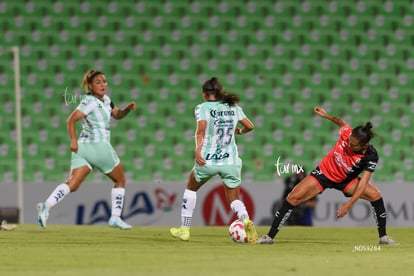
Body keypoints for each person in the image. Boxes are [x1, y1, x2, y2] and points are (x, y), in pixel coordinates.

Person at [257, 106, 399, 245]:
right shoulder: (347, 133)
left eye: (353, 145)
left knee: (375, 195)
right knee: (293, 196)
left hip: (346, 180)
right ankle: (269, 237)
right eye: (349, 141)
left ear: (364, 145)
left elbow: (362, 185)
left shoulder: (371, 156)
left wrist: (348, 206)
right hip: (324, 173)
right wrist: (326, 116)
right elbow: (341, 122)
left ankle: (383, 237)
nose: (349, 144)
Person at [36, 69, 136, 230]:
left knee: (72, 184)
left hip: (83, 149)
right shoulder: (89, 101)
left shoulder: (106, 100)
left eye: (104, 81)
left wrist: (127, 109)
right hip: (98, 146)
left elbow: (116, 114)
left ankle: (46, 206)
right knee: (120, 180)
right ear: (90, 86)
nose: (103, 84)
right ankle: (115, 218)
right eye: (98, 82)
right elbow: (71, 120)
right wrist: (72, 140)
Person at [169, 77, 258, 243]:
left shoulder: (203, 108)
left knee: (190, 188)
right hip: (230, 161)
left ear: (204, 94)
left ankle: (185, 229)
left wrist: (197, 150)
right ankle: (245, 219)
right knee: (234, 199)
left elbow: (200, 131)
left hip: (208, 160)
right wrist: (238, 132)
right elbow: (250, 126)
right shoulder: (233, 107)